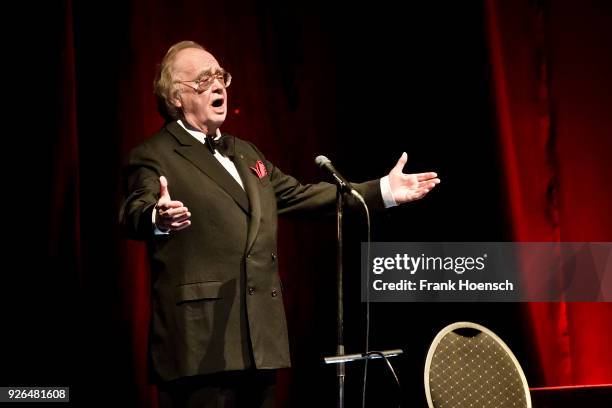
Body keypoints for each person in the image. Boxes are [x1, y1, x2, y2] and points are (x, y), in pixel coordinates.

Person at [119, 40, 440, 408]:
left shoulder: (247, 153)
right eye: (204, 79)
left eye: (220, 76)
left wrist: (381, 190)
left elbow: (302, 196)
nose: (218, 84)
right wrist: (157, 217)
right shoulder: (154, 154)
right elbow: (134, 212)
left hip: (259, 338)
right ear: (177, 96)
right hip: (199, 344)